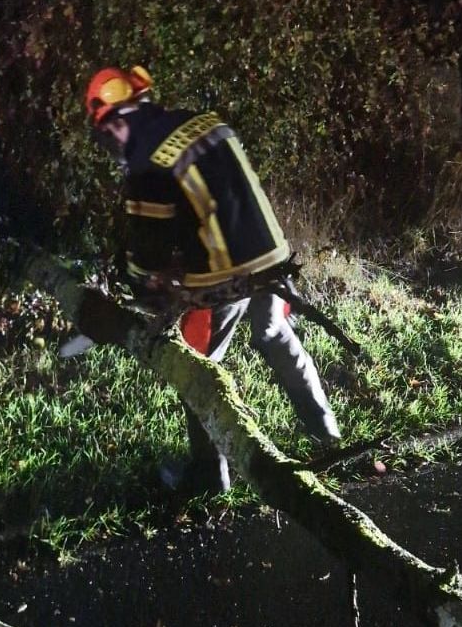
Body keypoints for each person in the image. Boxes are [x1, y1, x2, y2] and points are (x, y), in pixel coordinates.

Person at [83, 65, 341, 495]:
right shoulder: (205, 122)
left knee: (198, 367)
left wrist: (144, 286)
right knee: (276, 335)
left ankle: (208, 475)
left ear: (118, 121)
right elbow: (219, 199)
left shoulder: (148, 161)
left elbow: (147, 261)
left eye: (108, 131)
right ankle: (325, 433)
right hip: (274, 256)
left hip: (222, 278)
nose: (111, 143)